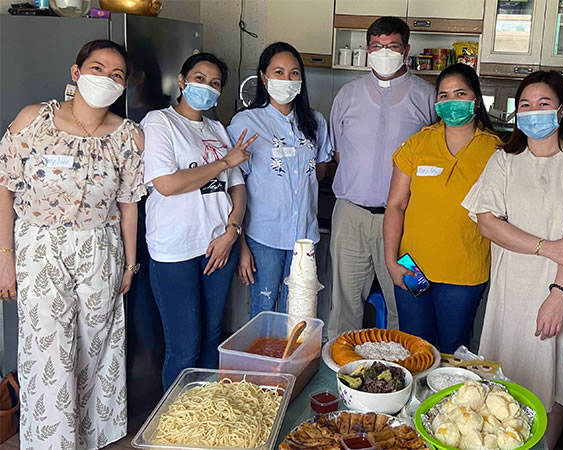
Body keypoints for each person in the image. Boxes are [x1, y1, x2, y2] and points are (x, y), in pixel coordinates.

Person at [0, 39, 143, 449]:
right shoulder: (34, 120)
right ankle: (51, 442)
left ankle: (89, 439)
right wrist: (4, 258)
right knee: (48, 350)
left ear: (124, 86)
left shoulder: (128, 137)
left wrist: (130, 265)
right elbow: (4, 190)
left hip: (101, 249)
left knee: (95, 347)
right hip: (39, 247)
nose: (106, 78)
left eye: (117, 74)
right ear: (76, 73)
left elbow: (129, 206)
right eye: (97, 68)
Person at [462, 70, 563, 448]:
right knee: (506, 371)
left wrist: (558, 295)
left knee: (553, 375)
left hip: (560, 286)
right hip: (512, 287)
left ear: (560, 112)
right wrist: (545, 245)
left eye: (543, 104)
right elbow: (488, 224)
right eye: (526, 104)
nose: (534, 111)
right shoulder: (504, 160)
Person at [141, 53, 255, 390]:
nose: (207, 87)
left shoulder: (217, 128)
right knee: (183, 346)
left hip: (219, 246)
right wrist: (223, 161)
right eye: (200, 78)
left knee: (210, 339)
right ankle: (172, 428)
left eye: (215, 83)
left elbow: (237, 187)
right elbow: (167, 184)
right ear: (182, 80)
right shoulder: (159, 122)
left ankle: (203, 420)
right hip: (175, 250)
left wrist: (232, 232)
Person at [327, 16, 436, 339]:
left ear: (406, 49)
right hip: (351, 215)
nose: (384, 52)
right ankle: (340, 376)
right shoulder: (347, 95)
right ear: (367, 49)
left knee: (405, 301)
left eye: (392, 46)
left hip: (405, 220)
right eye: (377, 46)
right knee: (344, 304)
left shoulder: (427, 97)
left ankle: (405, 377)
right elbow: (337, 152)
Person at [383, 63, 501, 353]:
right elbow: (396, 205)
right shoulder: (418, 144)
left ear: (475, 99)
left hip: (464, 272)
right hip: (413, 267)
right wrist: (390, 261)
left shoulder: (496, 151)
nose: (451, 102)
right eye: (444, 95)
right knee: (414, 348)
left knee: (452, 350)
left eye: (460, 93)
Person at [228, 42, 332, 317]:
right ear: (264, 77)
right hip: (264, 236)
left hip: (304, 238)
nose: (287, 80)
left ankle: (293, 362)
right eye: (279, 72)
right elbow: (234, 187)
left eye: (294, 73)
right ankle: (260, 361)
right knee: (264, 307)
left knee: (300, 309)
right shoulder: (246, 122)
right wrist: (241, 247)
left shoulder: (316, 122)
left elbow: (320, 171)